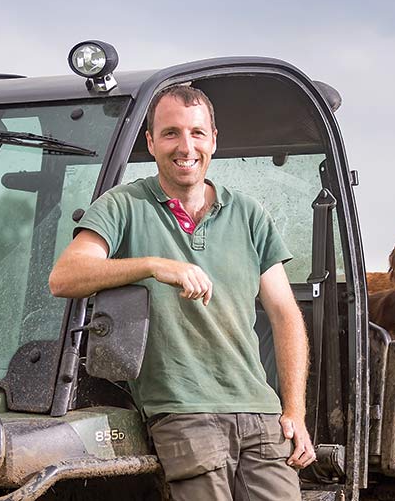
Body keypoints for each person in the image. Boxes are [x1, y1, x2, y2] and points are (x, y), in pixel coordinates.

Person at [49, 84, 314, 500]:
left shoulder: (249, 214)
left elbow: (284, 314)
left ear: (213, 140)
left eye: (196, 133)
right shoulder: (123, 205)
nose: (184, 145)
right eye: (171, 133)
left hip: (260, 411)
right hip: (184, 412)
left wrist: (294, 410)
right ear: (151, 143)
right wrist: (155, 265)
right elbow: (64, 276)